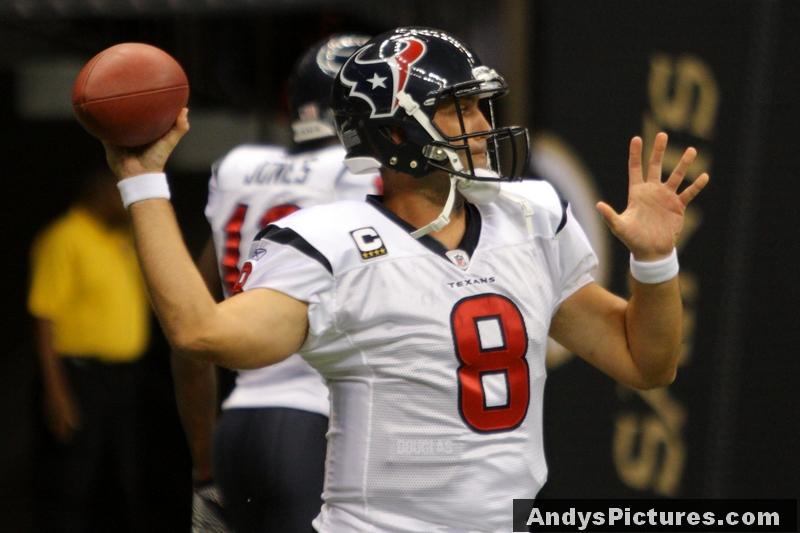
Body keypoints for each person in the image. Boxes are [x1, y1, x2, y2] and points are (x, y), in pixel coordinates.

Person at [100, 27, 708, 533]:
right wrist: (144, 182)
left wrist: (654, 263)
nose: (480, 122)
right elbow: (199, 331)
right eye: (457, 107)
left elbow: (647, 363)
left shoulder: (528, 218)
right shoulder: (330, 242)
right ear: (395, 133)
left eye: (477, 103)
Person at [171, 34, 376, 533]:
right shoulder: (367, 176)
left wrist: (204, 465)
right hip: (324, 425)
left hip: (241, 422)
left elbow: (192, 326)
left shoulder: (239, 170)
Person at [28, 162, 150, 533]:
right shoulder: (65, 237)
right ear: (99, 193)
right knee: (71, 480)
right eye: (120, 193)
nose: (126, 203)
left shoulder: (119, 238)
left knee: (116, 477)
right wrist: (57, 392)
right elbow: (44, 317)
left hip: (122, 378)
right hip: (78, 376)